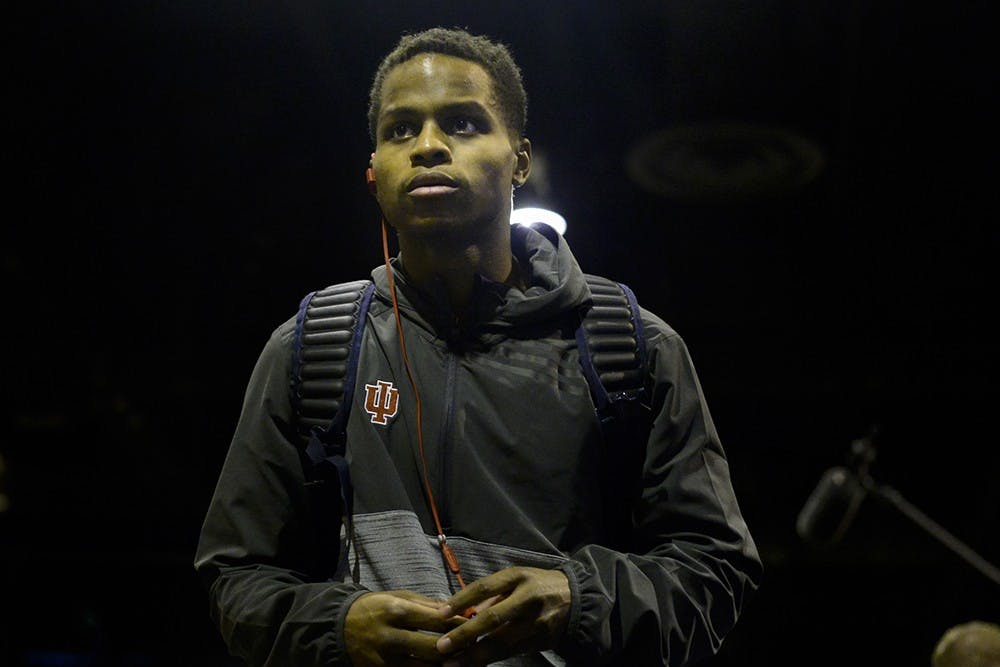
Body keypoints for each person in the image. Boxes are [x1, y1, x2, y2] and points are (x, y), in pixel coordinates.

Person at [195, 27, 762, 666]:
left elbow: (716, 571)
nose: (428, 147)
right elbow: (234, 576)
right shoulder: (311, 349)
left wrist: (579, 600)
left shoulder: (630, 347)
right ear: (373, 171)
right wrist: (336, 627)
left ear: (519, 161)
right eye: (401, 130)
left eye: (462, 124)